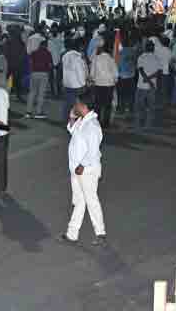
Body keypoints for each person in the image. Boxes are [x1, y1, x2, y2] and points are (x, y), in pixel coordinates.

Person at [60, 98, 107, 245]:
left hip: (87, 170)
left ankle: (100, 233)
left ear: (84, 106)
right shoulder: (83, 120)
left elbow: (93, 151)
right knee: (79, 202)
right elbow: (72, 130)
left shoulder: (92, 126)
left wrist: (82, 166)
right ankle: (72, 234)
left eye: (77, 104)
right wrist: (72, 117)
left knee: (91, 200)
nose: (75, 106)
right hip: (77, 169)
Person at [134, 40, 163, 129]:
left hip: (141, 86)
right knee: (151, 106)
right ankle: (148, 125)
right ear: (153, 48)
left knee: (139, 106)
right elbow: (159, 71)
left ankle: (138, 124)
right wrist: (150, 80)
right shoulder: (157, 58)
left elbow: (141, 70)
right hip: (152, 86)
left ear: (145, 48)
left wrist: (147, 79)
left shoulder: (141, 57)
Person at [90, 41, 117, 128]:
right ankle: (106, 123)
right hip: (109, 85)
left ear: (101, 49)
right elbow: (116, 73)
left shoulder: (95, 59)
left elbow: (92, 74)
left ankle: (97, 122)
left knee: (97, 104)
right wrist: (114, 82)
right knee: (108, 104)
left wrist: (93, 80)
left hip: (98, 84)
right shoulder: (111, 59)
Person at [61, 39, 89, 122]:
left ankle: (66, 119)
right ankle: (75, 121)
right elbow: (80, 72)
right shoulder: (77, 58)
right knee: (77, 104)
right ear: (79, 47)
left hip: (67, 83)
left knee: (68, 103)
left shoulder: (65, 56)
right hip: (77, 84)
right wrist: (84, 84)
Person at [26, 38, 53, 119]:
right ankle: (38, 112)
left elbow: (30, 62)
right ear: (46, 46)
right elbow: (50, 65)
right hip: (44, 74)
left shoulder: (34, 52)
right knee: (41, 93)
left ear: (39, 45)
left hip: (34, 73)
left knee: (32, 92)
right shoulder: (48, 53)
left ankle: (28, 112)